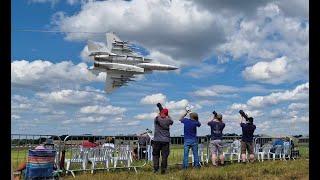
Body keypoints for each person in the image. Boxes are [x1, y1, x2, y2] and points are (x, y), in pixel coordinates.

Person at [152, 108, 173, 174]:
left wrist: (160, 112)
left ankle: (156, 169)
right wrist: (167, 115)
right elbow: (172, 121)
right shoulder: (168, 120)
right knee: (164, 156)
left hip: (157, 140)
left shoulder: (157, 119)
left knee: (156, 155)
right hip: (166, 140)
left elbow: (158, 115)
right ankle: (163, 169)